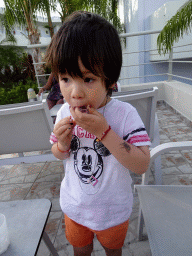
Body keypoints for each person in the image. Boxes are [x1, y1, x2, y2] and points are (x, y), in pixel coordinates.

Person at [47, 11, 151, 256]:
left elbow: (142, 163)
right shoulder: (64, 112)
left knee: (112, 252)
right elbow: (57, 153)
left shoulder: (124, 115)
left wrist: (104, 132)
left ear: (110, 79)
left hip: (112, 212)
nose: (75, 92)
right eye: (65, 78)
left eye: (88, 79)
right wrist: (62, 144)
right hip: (75, 208)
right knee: (80, 252)